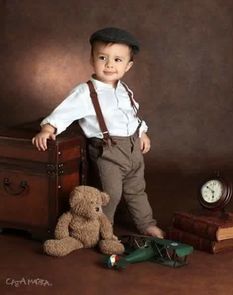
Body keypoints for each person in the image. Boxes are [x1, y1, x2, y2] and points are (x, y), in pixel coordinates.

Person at [32, 27, 164, 238]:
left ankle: (146, 223)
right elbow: (64, 112)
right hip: (108, 151)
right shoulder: (85, 92)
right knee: (109, 194)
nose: (110, 64)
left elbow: (132, 115)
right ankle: (104, 229)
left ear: (128, 66)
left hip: (132, 148)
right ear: (92, 59)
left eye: (118, 60)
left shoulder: (124, 89)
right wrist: (48, 129)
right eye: (103, 57)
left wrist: (142, 133)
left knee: (136, 189)